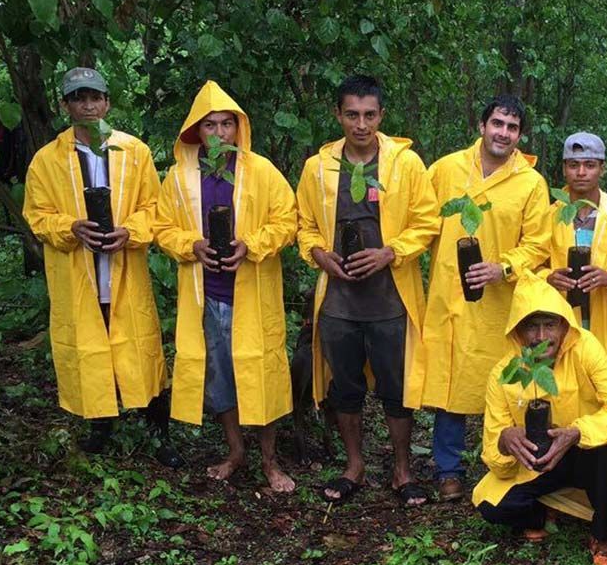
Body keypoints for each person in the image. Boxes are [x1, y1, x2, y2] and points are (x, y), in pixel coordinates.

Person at [23, 66, 182, 467]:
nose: (88, 105)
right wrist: (70, 227)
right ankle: (101, 425)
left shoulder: (134, 151)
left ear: (108, 101)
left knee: (139, 348)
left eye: (95, 97)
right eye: (79, 98)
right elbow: (37, 214)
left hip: (124, 269)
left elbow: (154, 208)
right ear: (66, 105)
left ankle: (157, 429)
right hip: (79, 273)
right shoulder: (48, 160)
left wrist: (129, 231)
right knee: (90, 349)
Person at [296, 75, 439, 506]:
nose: (361, 124)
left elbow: (427, 222)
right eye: (352, 114)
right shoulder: (318, 168)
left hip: (390, 295)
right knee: (345, 384)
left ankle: (402, 470)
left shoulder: (406, 165)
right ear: (338, 115)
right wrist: (319, 254)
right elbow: (302, 225)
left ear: (382, 116)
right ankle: (353, 465)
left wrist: (390, 253)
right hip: (339, 297)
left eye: (369, 115)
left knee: (397, 386)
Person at [154, 81, 297, 492]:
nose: (219, 133)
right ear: (196, 131)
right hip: (206, 296)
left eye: (226, 125)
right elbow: (162, 228)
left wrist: (250, 246)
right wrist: (192, 245)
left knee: (262, 376)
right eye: (210, 125)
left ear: (238, 128)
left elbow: (287, 221)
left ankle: (271, 461)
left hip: (252, 295)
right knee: (220, 378)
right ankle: (235, 451)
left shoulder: (261, 172)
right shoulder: (180, 178)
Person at [422, 96, 551, 501]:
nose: (503, 133)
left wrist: (504, 267)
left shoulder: (530, 182)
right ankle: (448, 468)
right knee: (452, 383)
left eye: (512, 128)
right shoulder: (445, 170)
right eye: (497, 123)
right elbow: (422, 223)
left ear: (520, 135)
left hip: (501, 302)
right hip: (449, 296)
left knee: (508, 382)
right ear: (481, 126)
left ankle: (506, 463)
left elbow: (538, 243)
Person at [474, 274, 607, 565]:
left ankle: (604, 534)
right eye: (532, 325)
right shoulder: (504, 373)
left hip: (587, 450)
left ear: (564, 326)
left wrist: (577, 432)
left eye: (550, 324)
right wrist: (505, 440)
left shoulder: (585, 348)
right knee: (492, 506)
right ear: (518, 330)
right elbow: (494, 456)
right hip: (539, 462)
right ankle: (540, 512)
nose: (541, 335)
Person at [543, 132, 607, 386]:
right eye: (574, 165)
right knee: (563, 392)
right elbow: (531, 266)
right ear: (564, 169)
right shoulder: (548, 217)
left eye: (590, 165)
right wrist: (548, 278)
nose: (581, 172)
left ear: (602, 169)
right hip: (561, 320)